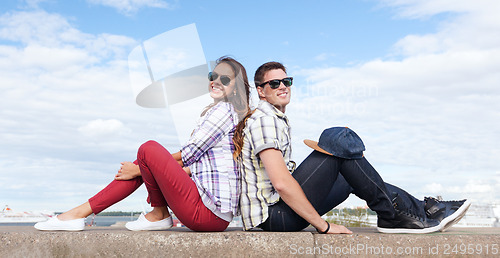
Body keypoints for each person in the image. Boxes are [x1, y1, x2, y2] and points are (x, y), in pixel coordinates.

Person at [234, 61, 470, 234]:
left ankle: (414, 211)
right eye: (274, 83)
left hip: (279, 215)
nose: (283, 86)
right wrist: (324, 226)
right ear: (261, 91)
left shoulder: (273, 118)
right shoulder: (265, 120)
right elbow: (282, 183)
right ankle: (419, 211)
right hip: (275, 218)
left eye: (287, 81)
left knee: (348, 175)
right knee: (337, 142)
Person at [35, 56, 250, 232]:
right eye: (213, 76)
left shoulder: (223, 111)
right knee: (147, 157)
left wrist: (138, 169)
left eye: (225, 79)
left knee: (148, 149)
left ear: (236, 87)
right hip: (212, 214)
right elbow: (194, 166)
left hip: (207, 215)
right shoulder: (223, 113)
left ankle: (154, 214)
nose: (216, 81)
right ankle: (85, 212)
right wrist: (144, 170)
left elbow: (189, 154)